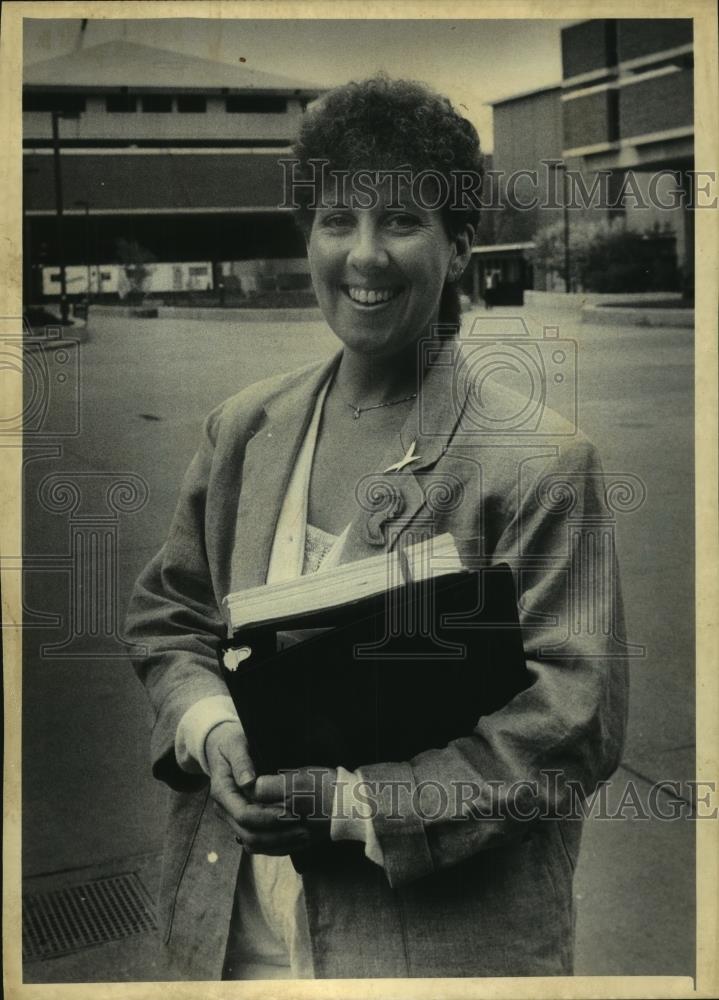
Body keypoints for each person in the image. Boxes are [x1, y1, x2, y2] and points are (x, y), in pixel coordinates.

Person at [125, 75, 629, 980]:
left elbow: (571, 724)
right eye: (334, 220)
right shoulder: (244, 427)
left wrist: (355, 803)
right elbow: (171, 614)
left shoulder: (537, 464)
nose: (363, 256)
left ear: (460, 245)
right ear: (305, 236)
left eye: (400, 221)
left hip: (431, 952)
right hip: (232, 938)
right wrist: (211, 728)